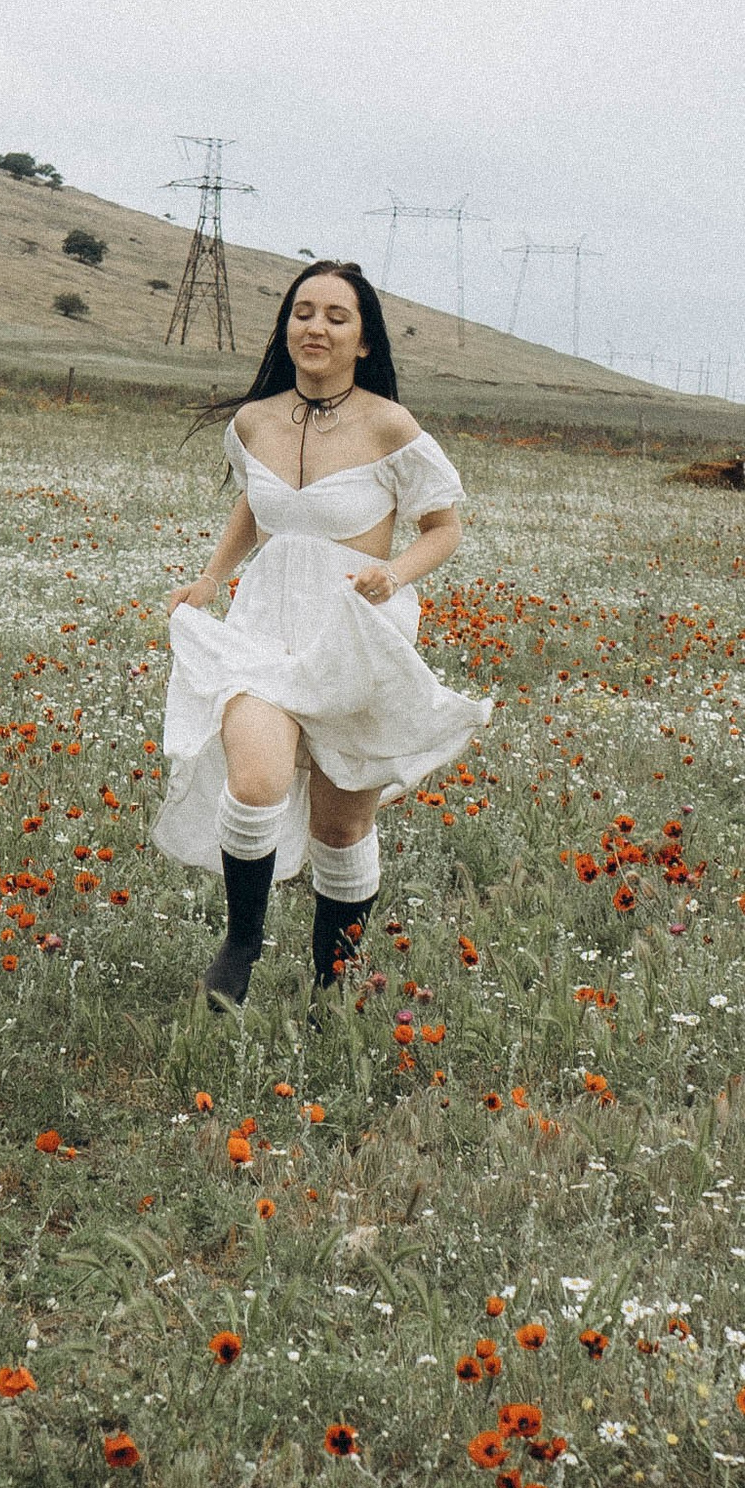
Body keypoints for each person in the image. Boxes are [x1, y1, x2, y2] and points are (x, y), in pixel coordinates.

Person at [156, 260, 493, 1009]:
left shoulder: (389, 425)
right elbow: (256, 502)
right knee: (256, 781)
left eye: (336, 317)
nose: (316, 327)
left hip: (355, 630)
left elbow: (443, 526)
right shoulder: (255, 421)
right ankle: (241, 945)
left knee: (343, 827)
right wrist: (212, 578)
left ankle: (332, 987)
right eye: (303, 312)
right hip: (265, 623)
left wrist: (396, 573)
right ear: (286, 326)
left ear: (363, 340)